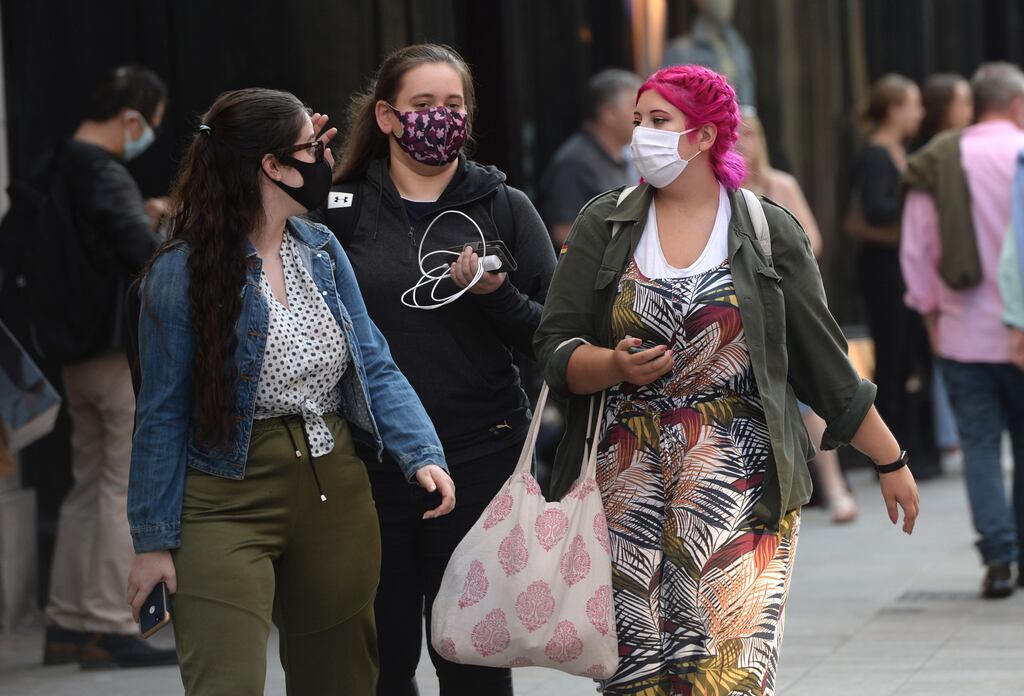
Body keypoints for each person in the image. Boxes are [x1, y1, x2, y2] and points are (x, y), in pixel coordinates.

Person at [535, 64, 919, 695]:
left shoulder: (766, 230)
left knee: (726, 675)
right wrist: (611, 364)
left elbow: (824, 363)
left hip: (742, 477)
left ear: (705, 135)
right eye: (637, 122)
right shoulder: (603, 224)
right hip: (622, 480)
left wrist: (890, 459)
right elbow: (553, 346)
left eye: (660, 122)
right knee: (638, 676)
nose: (642, 136)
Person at [124, 88, 454, 694]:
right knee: (225, 681)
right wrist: (152, 541)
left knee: (342, 680)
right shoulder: (180, 274)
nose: (326, 162)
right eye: (312, 148)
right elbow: (161, 412)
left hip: (332, 488)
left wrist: (421, 452)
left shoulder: (322, 251)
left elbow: (373, 364)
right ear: (273, 166)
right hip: (222, 496)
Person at [322, 44, 555, 696]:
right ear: (389, 117)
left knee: (473, 658)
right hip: (369, 461)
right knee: (380, 654)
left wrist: (496, 294)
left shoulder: (504, 205)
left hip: (482, 453)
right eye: (423, 106)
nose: (440, 119)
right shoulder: (338, 209)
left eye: (453, 105)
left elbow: (554, 336)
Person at [31, 65, 176, 669]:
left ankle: (67, 619)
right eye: (151, 127)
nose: (147, 138)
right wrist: (161, 220)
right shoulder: (103, 172)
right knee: (118, 480)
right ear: (131, 118)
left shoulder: (52, 165)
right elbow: (141, 257)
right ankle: (109, 625)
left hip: (70, 351)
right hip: (112, 350)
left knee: (87, 479)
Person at [902, 62, 1024, 599]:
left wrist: (931, 316)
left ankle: (998, 557)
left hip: (960, 330)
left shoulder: (939, 159)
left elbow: (917, 248)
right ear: (1017, 103)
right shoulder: (1019, 151)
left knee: (978, 444)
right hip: (1018, 333)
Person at [738, 109, 858, 523]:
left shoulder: (779, 185)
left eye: (749, 135)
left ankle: (834, 486)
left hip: (787, 309)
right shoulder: (717, 190)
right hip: (741, 317)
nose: (742, 143)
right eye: (734, 134)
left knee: (811, 399)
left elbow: (812, 242)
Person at [846, 75, 939, 479]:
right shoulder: (877, 156)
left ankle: (918, 446)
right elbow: (876, 209)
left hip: (902, 268)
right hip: (886, 271)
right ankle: (894, 449)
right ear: (894, 109)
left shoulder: (898, 152)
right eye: (913, 104)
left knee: (912, 357)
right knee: (895, 359)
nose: (919, 113)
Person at [914, 73, 975, 471]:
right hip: (949, 279)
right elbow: (918, 241)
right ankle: (946, 436)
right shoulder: (936, 157)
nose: (969, 111)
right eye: (963, 102)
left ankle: (950, 435)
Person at [538, 69, 642, 249]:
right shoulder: (575, 162)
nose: (641, 117)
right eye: (635, 107)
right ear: (609, 113)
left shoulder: (623, 155)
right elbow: (563, 231)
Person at [662, 0, 756, 106]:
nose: (726, 3)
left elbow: (748, 102)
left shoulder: (739, 48)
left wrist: (749, 114)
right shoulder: (679, 52)